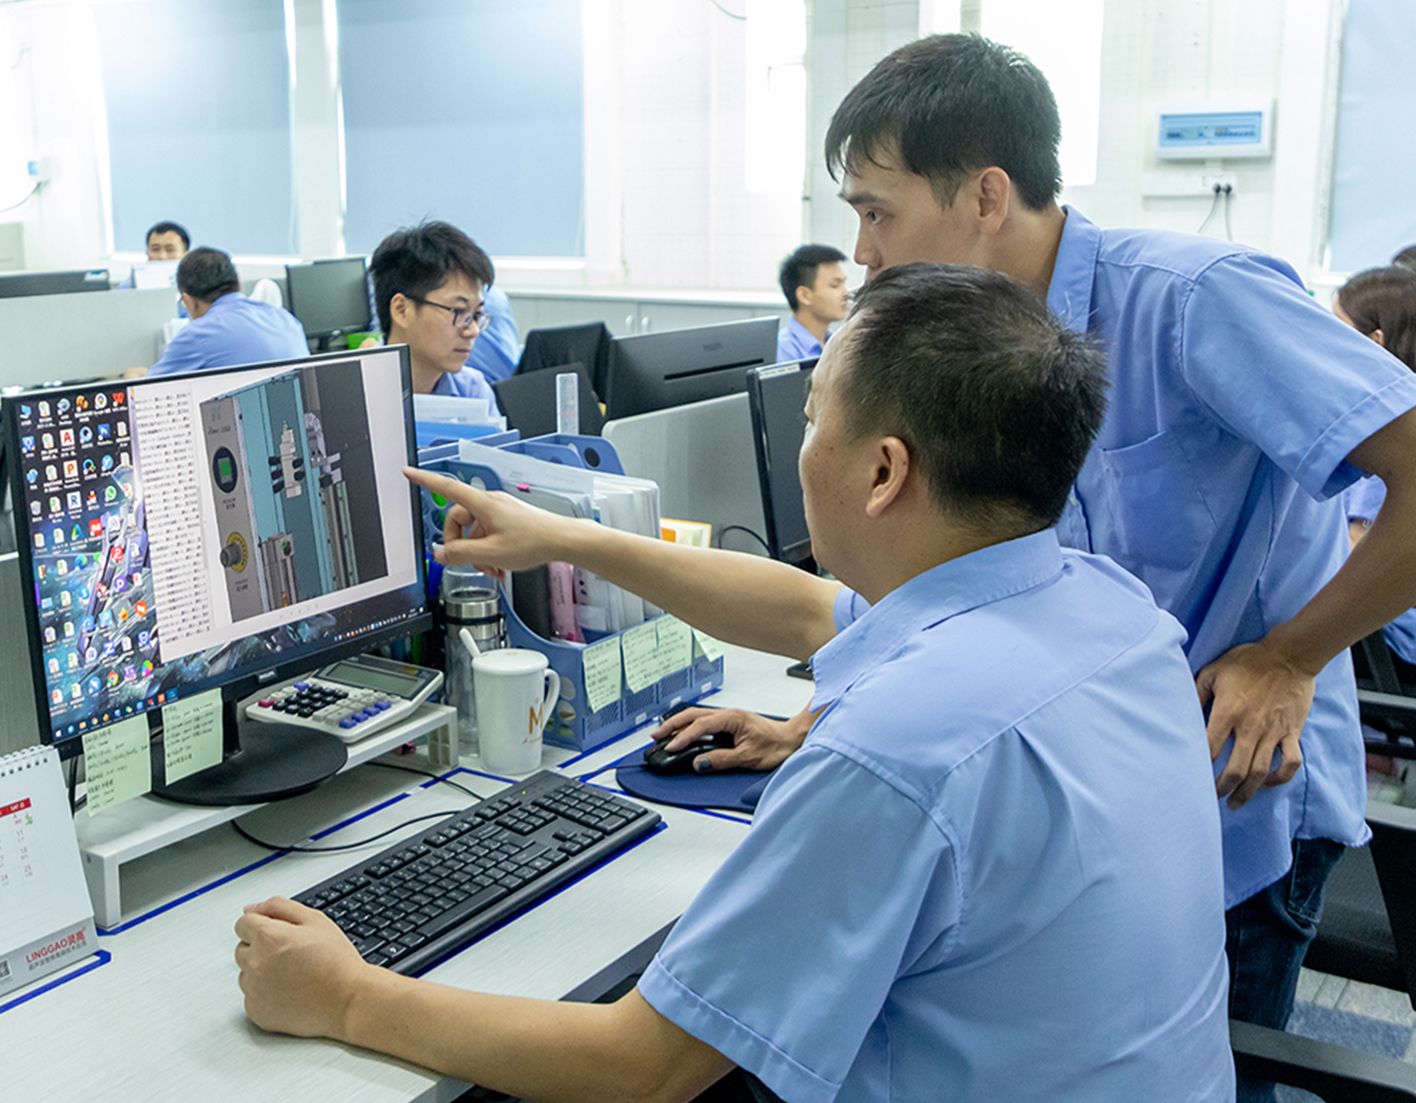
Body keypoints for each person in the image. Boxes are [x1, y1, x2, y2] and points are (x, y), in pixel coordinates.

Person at [237, 264, 1235, 1102]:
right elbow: (803, 611)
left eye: (812, 416)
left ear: (884, 472)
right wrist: (565, 537)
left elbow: (644, 1068)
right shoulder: (1104, 606)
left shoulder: (897, 749)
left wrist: (345, 994)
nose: (803, 444)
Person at [639, 35, 1416, 1100]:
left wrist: (1292, 655)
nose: (862, 253)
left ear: (986, 195)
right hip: (1072, 798)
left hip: (1231, 783)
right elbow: (986, 610)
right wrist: (827, 725)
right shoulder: (977, 356)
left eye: (877, 211)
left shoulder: (1192, 299)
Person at [1334, 266, 1416, 663]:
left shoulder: (1383, 431)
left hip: (1389, 640)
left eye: (1335, 329)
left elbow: (1354, 554)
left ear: (1375, 343)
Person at [367, 221, 501, 401]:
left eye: (477, 315)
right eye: (459, 311)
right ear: (402, 310)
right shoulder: (350, 393)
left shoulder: (473, 391)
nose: (473, 331)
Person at [146, 247, 308, 377]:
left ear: (188, 300)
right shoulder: (285, 318)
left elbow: (147, 390)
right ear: (239, 283)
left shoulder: (197, 334)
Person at [775, 244, 849, 362]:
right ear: (805, 295)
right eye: (835, 285)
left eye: (843, 284)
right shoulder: (783, 351)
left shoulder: (837, 344)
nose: (846, 293)